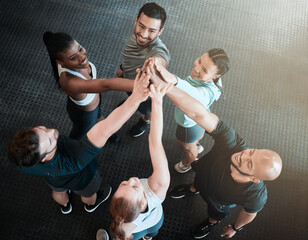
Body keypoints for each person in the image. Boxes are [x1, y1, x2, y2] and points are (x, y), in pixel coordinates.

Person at [146, 64, 283, 239]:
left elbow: (249, 214)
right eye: (252, 151)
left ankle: (211, 222)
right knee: (197, 182)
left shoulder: (256, 195)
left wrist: (235, 228)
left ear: (255, 179)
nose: (244, 154)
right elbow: (199, 114)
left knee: (214, 214)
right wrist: (162, 86)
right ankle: (192, 189)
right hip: (204, 174)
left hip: (219, 202)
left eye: (249, 163)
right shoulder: (234, 144)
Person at [7, 71, 150, 215]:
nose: (52, 132)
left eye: (42, 129)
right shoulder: (75, 159)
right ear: (42, 158)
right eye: (50, 141)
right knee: (88, 195)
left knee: (58, 191)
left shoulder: (18, 156)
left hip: (54, 179)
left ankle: (65, 205)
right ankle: (91, 205)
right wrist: (136, 98)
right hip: (83, 181)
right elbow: (106, 128)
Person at [96, 82, 172, 240]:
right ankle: (148, 238)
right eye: (136, 187)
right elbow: (155, 141)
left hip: (134, 233)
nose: (132, 180)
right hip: (154, 222)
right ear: (144, 202)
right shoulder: (158, 188)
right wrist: (157, 100)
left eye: (123, 184)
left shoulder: (122, 226)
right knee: (152, 233)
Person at [144, 48, 230, 174]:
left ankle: (188, 162)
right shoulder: (212, 79)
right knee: (195, 140)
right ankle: (196, 144)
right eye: (200, 61)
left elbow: (192, 92)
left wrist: (174, 79)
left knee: (186, 146)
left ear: (216, 76)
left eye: (204, 70)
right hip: (198, 123)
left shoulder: (206, 93)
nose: (197, 68)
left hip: (189, 126)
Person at [43, 31, 134, 140]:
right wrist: (143, 84)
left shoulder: (78, 58)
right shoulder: (69, 81)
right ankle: (75, 152)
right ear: (60, 63)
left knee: (99, 115)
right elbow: (106, 84)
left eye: (80, 49)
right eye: (73, 58)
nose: (82, 57)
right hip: (85, 114)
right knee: (81, 135)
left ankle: (102, 125)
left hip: (96, 98)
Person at [116, 2, 170, 138]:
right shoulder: (136, 33)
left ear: (160, 31)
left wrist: (156, 64)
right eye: (141, 26)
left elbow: (161, 59)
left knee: (147, 109)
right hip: (128, 79)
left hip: (145, 92)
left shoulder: (159, 51)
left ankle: (146, 120)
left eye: (152, 30)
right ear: (136, 21)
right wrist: (122, 68)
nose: (143, 35)